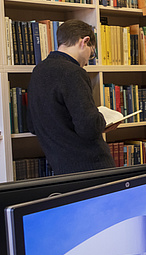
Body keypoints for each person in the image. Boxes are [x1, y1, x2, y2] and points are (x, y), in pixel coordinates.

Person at [28, 19, 117, 175]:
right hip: (91, 167)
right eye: (92, 53)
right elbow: (88, 127)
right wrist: (102, 122)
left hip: (60, 168)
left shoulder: (38, 71)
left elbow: (32, 125)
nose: (88, 62)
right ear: (85, 41)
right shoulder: (74, 73)